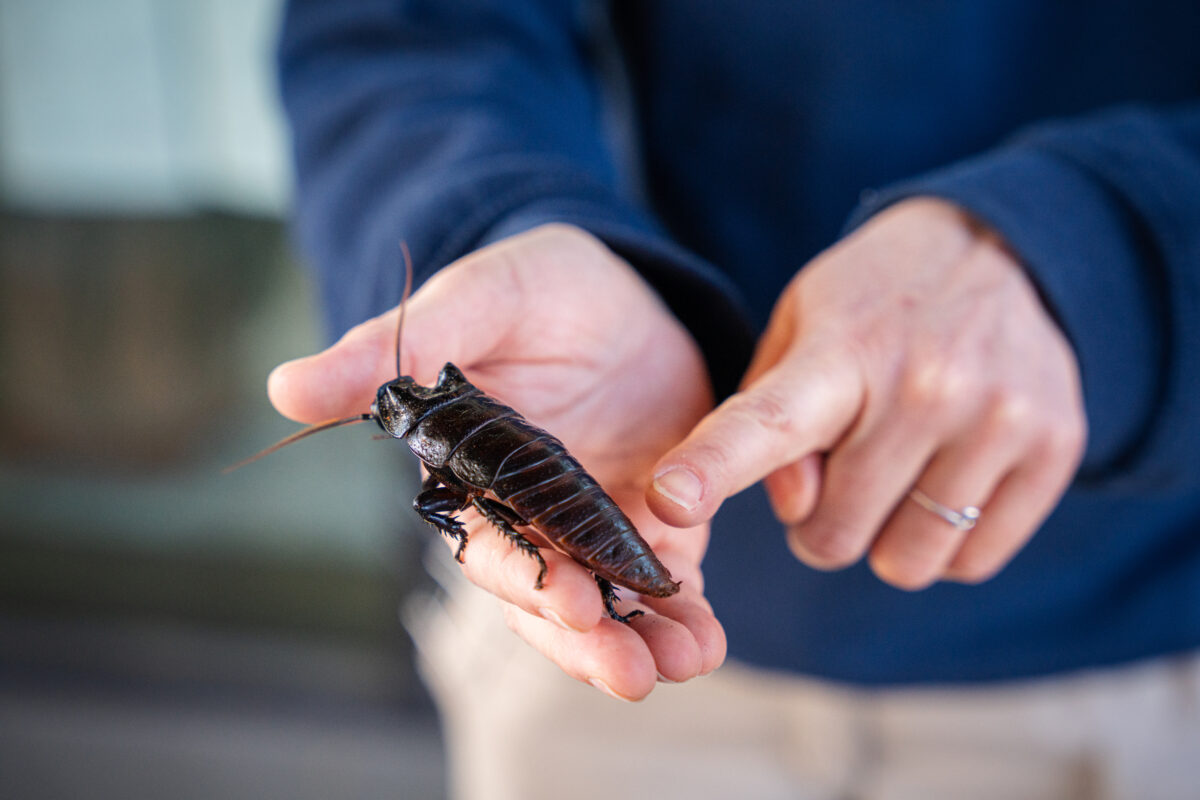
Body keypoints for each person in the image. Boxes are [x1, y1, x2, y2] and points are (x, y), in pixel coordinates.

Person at [270, 2, 1200, 797]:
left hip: (1138, 663)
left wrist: (1108, 254)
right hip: (581, 686)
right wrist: (493, 225)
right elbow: (410, 23)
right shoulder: (469, 407)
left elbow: (459, 499)